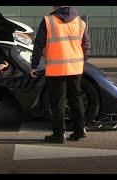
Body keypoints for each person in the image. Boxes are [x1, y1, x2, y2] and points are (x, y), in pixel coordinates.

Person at [30, 6, 91, 143]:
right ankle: (80, 130)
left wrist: (34, 65)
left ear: (54, 7)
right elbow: (86, 45)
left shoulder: (48, 21)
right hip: (75, 67)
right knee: (76, 98)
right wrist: (83, 59)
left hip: (56, 69)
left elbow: (39, 45)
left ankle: (59, 134)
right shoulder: (80, 22)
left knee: (58, 101)